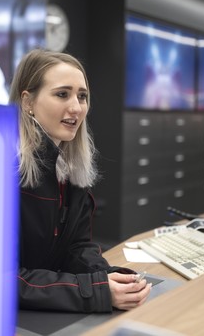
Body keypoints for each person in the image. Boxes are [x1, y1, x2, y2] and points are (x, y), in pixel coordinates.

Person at [10, 48, 152, 312]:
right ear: (27, 102)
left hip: (41, 307)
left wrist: (110, 278)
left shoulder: (68, 167)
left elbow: (75, 247)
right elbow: (3, 279)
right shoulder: (1, 170)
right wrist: (94, 292)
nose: (76, 107)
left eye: (82, 96)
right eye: (62, 94)